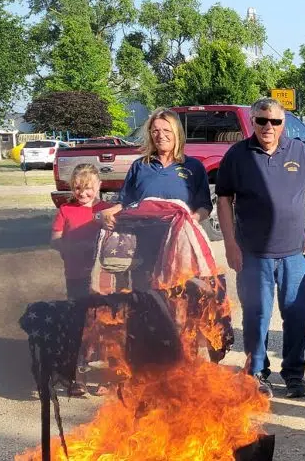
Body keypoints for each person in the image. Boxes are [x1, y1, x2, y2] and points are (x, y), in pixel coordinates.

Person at [215, 98, 305, 399]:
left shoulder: (300, 152)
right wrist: (230, 243)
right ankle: (256, 374)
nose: (268, 127)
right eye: (262, 120)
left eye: (275, 121)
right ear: (252, 121)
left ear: (283, 123)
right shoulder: (237, 155)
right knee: (256, 316)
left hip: (294, 253)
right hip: (253, 253)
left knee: (296, 314)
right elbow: (224, 199)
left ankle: (293, 374)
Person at [51, 163, 114, 397]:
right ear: (72, 188)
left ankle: (105, 378)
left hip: (104, 280)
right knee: (79, 327)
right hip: (76, 277)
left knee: (105, 327)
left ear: (99, 185)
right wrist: (68, 246)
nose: (83, 193)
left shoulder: (108, 209)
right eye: (78, 188)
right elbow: (55, 239)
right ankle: (77, 378)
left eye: (88, 188)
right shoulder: (65, 211)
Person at [98, 108, 212, 229]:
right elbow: (125, 202)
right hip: (141, 237)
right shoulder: (140, 166)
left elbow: (205, 206)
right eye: (155, 131)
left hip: (178, 236)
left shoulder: (194, 167)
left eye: (167, 130)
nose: (161, 135)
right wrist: (108, 213)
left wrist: (192, 220)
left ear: (177, 133)